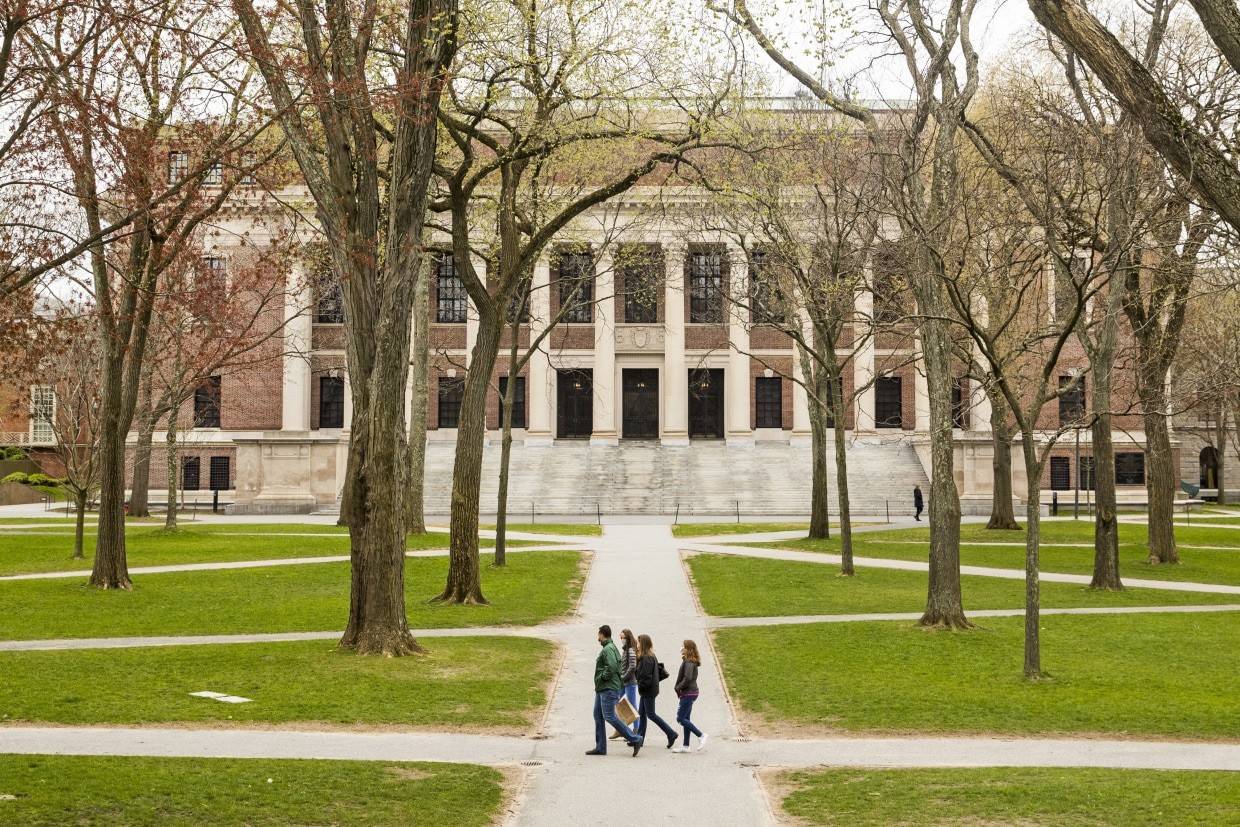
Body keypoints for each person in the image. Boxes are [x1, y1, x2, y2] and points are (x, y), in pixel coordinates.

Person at [586, 624, 643, 757]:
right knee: (598, 715)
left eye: (598, 634)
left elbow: (611, 666)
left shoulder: (608, 649)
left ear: (602, 634)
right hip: (602, 688)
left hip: (608, 688)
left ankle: (635, 739)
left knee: (609, 716)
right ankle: (600, 747)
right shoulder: (609, 647)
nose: (597, 637)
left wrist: (602, 677)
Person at [634, 633, 678, 749]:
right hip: (647, 690)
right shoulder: (648, 656)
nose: (637, 644)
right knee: (642, 714)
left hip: (648, 690)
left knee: (651, 715)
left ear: (643, 644)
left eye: (638, 642)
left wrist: (639, 684)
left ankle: (671, 733)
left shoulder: (647, 658)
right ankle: (639, 739)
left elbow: (646, 678)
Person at [672, 639, 708, 753]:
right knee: (686, 718)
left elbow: (687, 678)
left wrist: (678, 687)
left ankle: (701, 735)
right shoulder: (689, 661)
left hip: (688, 693)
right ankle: (686, 746)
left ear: (687, 649)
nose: (681, 648)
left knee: (680, 718)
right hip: (691, 693)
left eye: (683, 646)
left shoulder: (688, 662)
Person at [610, 629, 640, 741]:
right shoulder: (626, 649)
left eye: (623, 637)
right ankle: (622, 729)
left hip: (630, 682)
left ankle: (636, 731)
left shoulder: (631, 650)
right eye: (620, 638)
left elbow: (632, 666)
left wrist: (623, 677)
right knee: (617, 702)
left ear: (628, 638)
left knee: (633, 707)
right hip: (623, 682)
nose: (622, 640)